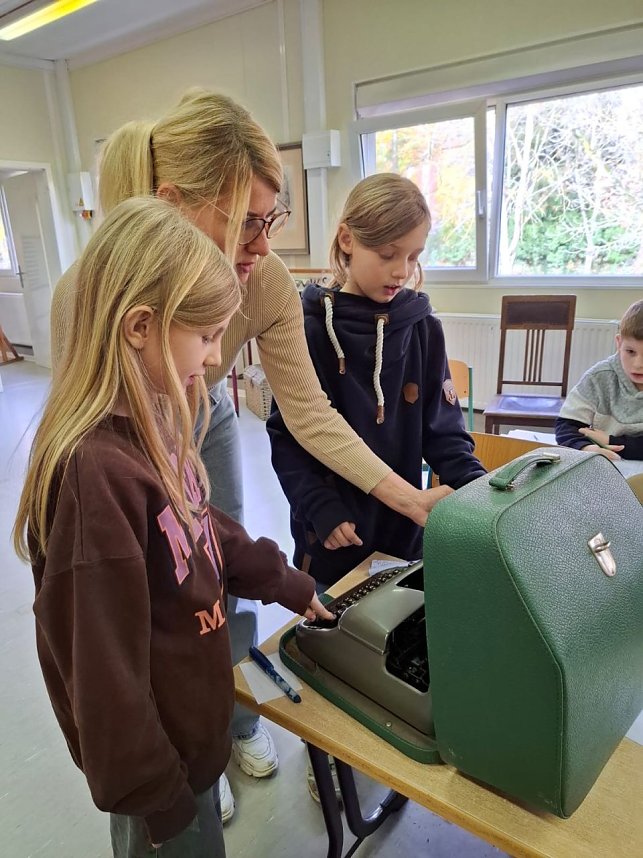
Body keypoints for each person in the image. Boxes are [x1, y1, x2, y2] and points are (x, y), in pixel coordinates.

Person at [49, 89, 451, 820]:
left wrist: (408, 497)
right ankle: (169, 758)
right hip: (135, 427)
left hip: (194, 425)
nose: (263, 246)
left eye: (272, 221)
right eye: (246, 223)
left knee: (207, 578)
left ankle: (225, 724)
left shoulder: (262, 280)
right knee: (151, 606)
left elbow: (308, 414)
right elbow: (92, 640)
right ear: (174, 205)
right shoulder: (91, 306)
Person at [14, 197, 332, 858]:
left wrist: (285, 582)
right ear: (138, 326)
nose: (216, 359)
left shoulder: (151, 426)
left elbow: (197, 525)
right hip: (158, 789)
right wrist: (159, 801)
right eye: (207, 335)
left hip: (192, 747)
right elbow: (103, 677)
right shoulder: (92, 475)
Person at [267, 173, 485, 591]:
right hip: (332, 536)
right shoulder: (305, 329)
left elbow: (445, 436)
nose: (401, 271)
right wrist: (320, 507)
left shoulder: (424, 329)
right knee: (332, 642)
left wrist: (481, 495)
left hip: (407, 531)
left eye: (414, 256)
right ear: (347, 240)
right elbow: (288, 436)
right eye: (387, 254)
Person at [555, 299, 643, 460]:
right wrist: (586, 447)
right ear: (619, 343)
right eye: (630, 351)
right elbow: (567, 426)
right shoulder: (599, 377)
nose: (638, 364)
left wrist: (611, 441)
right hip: (604, 464)